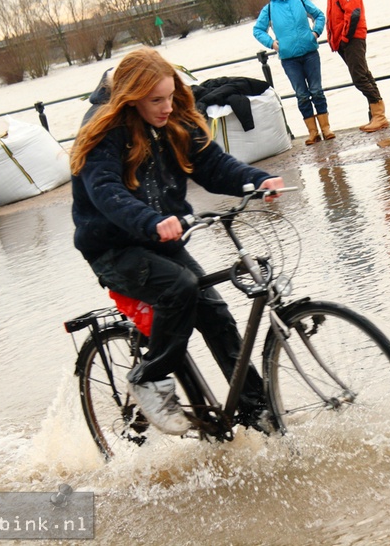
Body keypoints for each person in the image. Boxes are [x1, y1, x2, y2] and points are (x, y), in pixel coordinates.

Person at [69, 48, 285, 436]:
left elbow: (212, 164)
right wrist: (151, 221)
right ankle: (148, 377)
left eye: (170, 96)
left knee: (215, 314)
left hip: (159, 240)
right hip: (112, 247)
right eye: (156, 100)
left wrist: (257, 179)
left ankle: (256, 410)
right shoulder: (104, 130)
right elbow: (106, 191)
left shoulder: (174, 120)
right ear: (131, 97)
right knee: (180, 288)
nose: (167, 106)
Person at [253, 0, 333, 146]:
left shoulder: (300, 0)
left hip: (310, 53)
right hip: (289, 59)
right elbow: (257, 30)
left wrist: (315, 32)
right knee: (302, 95)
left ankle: (326, 129)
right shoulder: (269, 9)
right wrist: (272, 44)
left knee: (317, 90)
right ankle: (313, 133)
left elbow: (319, 15)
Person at [314, 0, 389, 133]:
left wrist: (345, 37)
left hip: (352, 37)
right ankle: (376, 115)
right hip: (346, 39)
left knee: (359, 77)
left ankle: (379, 116)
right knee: (364, 74)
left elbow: (353, 11)